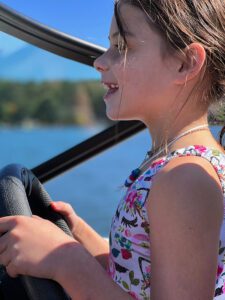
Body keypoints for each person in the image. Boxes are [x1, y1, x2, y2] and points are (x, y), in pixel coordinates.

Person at [0, 0, 225, 299]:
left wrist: (69, 264)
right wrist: (77, 234)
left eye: (122, 47)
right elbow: (137, 273)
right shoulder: (174, 167)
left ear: (185, 63)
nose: (99, 61)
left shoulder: (185, 180)